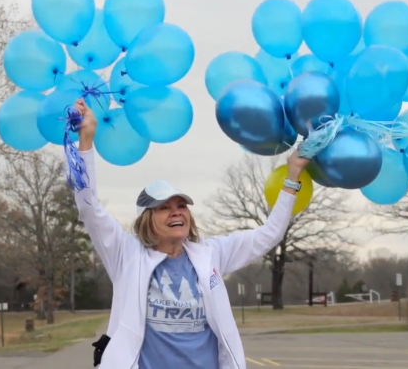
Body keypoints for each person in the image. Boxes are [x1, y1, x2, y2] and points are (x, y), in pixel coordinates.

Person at [71, 98, 308, 369]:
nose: (177, 212)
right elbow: (89, 208)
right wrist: (86, 141)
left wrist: (293, 174)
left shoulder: (211, 254)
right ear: (147, 219)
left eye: (181, 205)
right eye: (164, 207)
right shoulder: (126, 255)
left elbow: (270, 234)